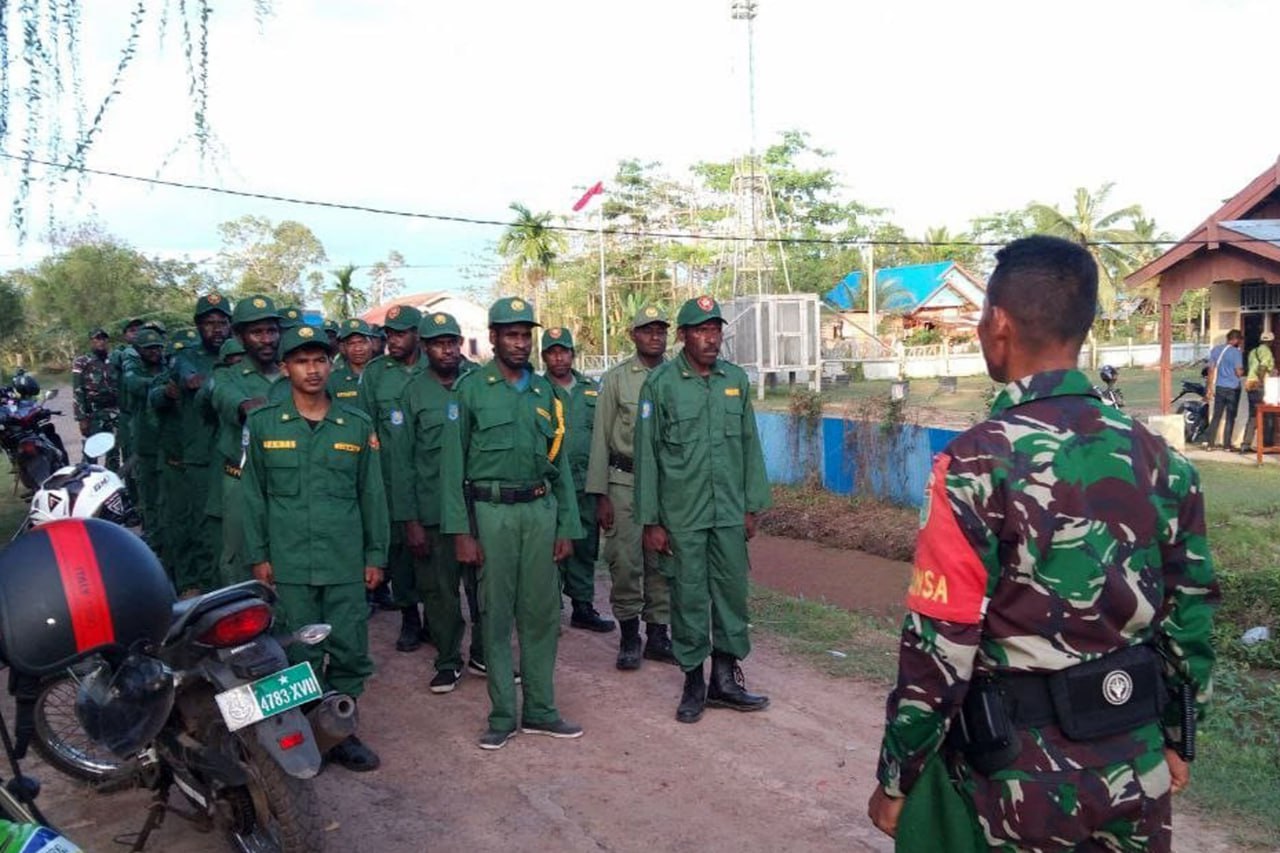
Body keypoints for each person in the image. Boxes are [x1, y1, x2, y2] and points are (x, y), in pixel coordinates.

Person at [866, 236, 1219, 851]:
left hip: (1016, 783)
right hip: (1135, 765)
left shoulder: (975, 464)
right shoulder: (1163, 461)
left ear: (999, 323)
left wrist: (898, 775)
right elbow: (1189, 622)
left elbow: (941, 643)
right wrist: (1176, 738)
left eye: (981, 315)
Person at [242, 324, 389, 772]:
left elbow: (372, 495)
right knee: (296, 651)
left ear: (331, 364)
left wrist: (375, 555)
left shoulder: (355, 425)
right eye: (302, 361)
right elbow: (252, 495)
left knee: (348, 647)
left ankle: (340, 732)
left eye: (320, 360)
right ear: (285, 367)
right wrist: (259, 556)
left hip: (344, 560)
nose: (312, 370)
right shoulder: (263, 424)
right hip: (289, 561)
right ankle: (307, 732)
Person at [441, 297, 584, 750]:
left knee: (542, 615)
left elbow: (559, 467)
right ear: (494, 337)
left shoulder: (545, 393)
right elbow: (452, 466)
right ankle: (502, 715)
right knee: (496, 615)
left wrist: (567, 526)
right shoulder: (470, 390)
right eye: (512, 335)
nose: (521, 343)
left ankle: (541, 709)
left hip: (539, 512)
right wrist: (462, 532)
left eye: (526, 336)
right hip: (492, 513)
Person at [634, 296, 771, 724]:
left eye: (716, 330)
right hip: (682, 515)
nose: (711, 339)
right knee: (689, 597)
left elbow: (749, 444)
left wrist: (752, 506)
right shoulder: (661, 385)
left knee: (731, 594)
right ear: (682, 336)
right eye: (701, 331)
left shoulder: (735, 380)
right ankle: (694, 682)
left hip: (728, 511)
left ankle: (725, 680)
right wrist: (651, 520)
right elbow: (647, 455)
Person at [585, 306, 676, 669]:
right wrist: (601, 495)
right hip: (625, 481)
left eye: (660, 330)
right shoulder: (616, 379)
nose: (655, 336)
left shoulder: (677, 377)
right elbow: (600, 438)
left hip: (667, 484)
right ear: (633, 335)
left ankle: (658, 635)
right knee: (625, 560)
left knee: (663, 559)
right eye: (647, 330)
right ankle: (629, 637)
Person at [404, 312, 483, 693]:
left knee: (485, 588)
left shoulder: (480, 382)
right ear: (425, 347)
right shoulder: (413, 392)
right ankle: (448, 660)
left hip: (479, 508)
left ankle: (484, 653)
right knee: (440, 592)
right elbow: (402, 461)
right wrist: (410, 519)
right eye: (438, 344)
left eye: (451, 342)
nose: (447, 350)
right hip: (433, 510)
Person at [361, 305, 431, 652]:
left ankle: (436, 617)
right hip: (391, 478)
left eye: (401, 333)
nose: (393, 340)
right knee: (400, 551)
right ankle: (409, 617)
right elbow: (365, 425)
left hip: (433, 477)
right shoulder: (376, 373)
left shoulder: (436, 366)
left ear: (418, 334)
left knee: (436, 551)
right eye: (389, 334)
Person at [541, 327, 615, 635]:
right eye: (552, 352)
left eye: (564, 351)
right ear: (544, 356)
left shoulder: (592, 389)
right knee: (551, 547)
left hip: (586, 484)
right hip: (553, 485)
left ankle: (583, 607)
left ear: (573, 354)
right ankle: (550, 610)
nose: (559, 357)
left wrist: (604, 489)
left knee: (585, 545)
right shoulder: (538, 390)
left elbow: (605, 438)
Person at [210, 295, 287, 584]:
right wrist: (247, 406)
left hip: (287, 480)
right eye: (257, 332)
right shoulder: (228, 376)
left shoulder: (292, 373)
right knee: (240, 557)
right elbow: (224, 397)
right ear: (240, 336)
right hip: (241, 480)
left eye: (272, 331)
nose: (267, 339)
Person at [123, 328, 167, 553]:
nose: (154, 352)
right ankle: (153, 539)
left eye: (158, 347)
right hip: (146, 443)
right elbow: (135, 385)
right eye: (149, 348)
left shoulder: (168, 365)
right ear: (139, 350)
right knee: (149, 495)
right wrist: (162, 384)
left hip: (168, 443)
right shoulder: (133, 370)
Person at [71, 328, 120, 466]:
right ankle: (87, 477)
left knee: (113, 452)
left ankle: (111, 477)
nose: (101, 342)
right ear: (91, 341)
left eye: (104, 338)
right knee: (91, 452)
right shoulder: (82, 361)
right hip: (93, 414)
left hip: (114, 413)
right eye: (97, 339)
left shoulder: (114, 360)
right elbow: (78, 391)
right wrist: (81, 418)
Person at [1204, 328, 1244, 451]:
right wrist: (1243, 371)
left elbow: (1211, 370)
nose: (1240, 343)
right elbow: (1238, 372)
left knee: (1217, 416)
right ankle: (1227, 445)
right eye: (1240, 340)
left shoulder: (1216, 350)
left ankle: (1210, 444)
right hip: (1233, 388)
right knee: (1230, 417)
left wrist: (1209, 388)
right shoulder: (1236, 353)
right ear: (1236, 340)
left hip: (1220, 387)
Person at [1239, 330, 1276, 454]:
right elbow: (1263, 367)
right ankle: (1267, 444)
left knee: (1253, 415)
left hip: (1250, 384)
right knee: (1268, 414)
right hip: (1260, 385)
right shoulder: (1266, 351)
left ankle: (1246, 444)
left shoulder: (1253, 352)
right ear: (1271, 342)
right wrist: (1261, 381)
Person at [328, 318, 374, 406]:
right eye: (351, 343)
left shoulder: (383, 375)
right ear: (342, 348)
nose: (358, 348)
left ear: (371, 344)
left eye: (362, 342)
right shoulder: (333, 381)